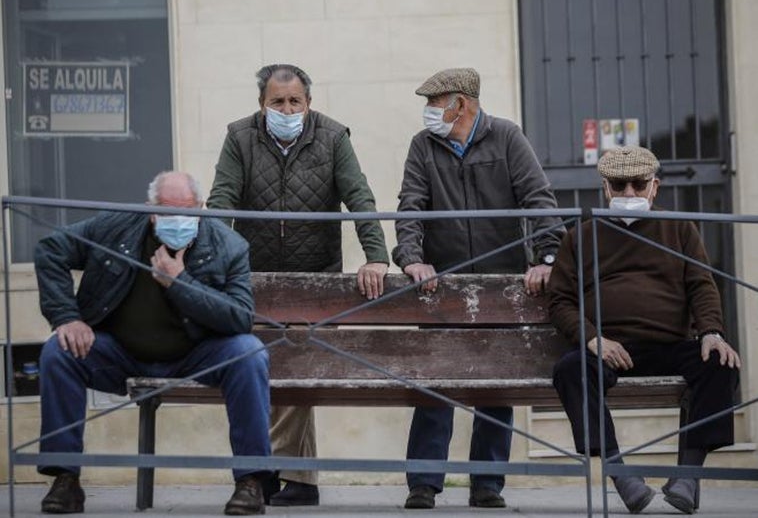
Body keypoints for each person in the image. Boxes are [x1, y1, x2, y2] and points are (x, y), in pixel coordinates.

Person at [34, 171, 271, 516]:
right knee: (58, 352)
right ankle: (64, 479)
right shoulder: (115, 228)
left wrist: (179, 283)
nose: (178, 219)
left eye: (187, 211)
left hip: (197, 355)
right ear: (150, 209)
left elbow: (240, 318)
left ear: (202, 208)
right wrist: (66, 317)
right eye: (167, 210)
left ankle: (251, 482)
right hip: (119, 352)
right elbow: (51, 249)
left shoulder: (228, 245)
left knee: (249, 353)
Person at [207, 63, 390, 506]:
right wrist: (210, 261)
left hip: (316, 281)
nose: (286, 109)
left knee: (291, 368)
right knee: (260, 371)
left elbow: (359, 196)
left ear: (309, 103)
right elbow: (221, 201)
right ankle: (291, 477)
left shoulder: (332, 137)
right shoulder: (240, 136)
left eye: (295, 102)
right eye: (277, 102)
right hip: (257, 280)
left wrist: (377, 257)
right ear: (261, 104)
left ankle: (270, 472)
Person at [393, 67, 565, 509]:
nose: (429, 112)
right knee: (436, 383)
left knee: (496, 388)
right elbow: (410, 205)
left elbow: (539, 198)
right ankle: (423, 484)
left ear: (461, 104)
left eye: (435, 103)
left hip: (502, 285)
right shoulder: (422, 145)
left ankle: (487, 483)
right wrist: (411, 258)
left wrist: (547, 259)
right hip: (441, 288)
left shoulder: (507, 137)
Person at [548, 146, 741, 514]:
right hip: (610, 349)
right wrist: (593, 338)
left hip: (670, 344)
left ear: (655, 187)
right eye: (620, 185)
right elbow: (560, 301)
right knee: (570, 370)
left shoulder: (680, 226)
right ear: (606, 188)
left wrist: (711, 332)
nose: (630, 194)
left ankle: (687, 475)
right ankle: (621, 475)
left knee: (721, 362)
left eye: (639, 185)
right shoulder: (580, 235)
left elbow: (701, 284)